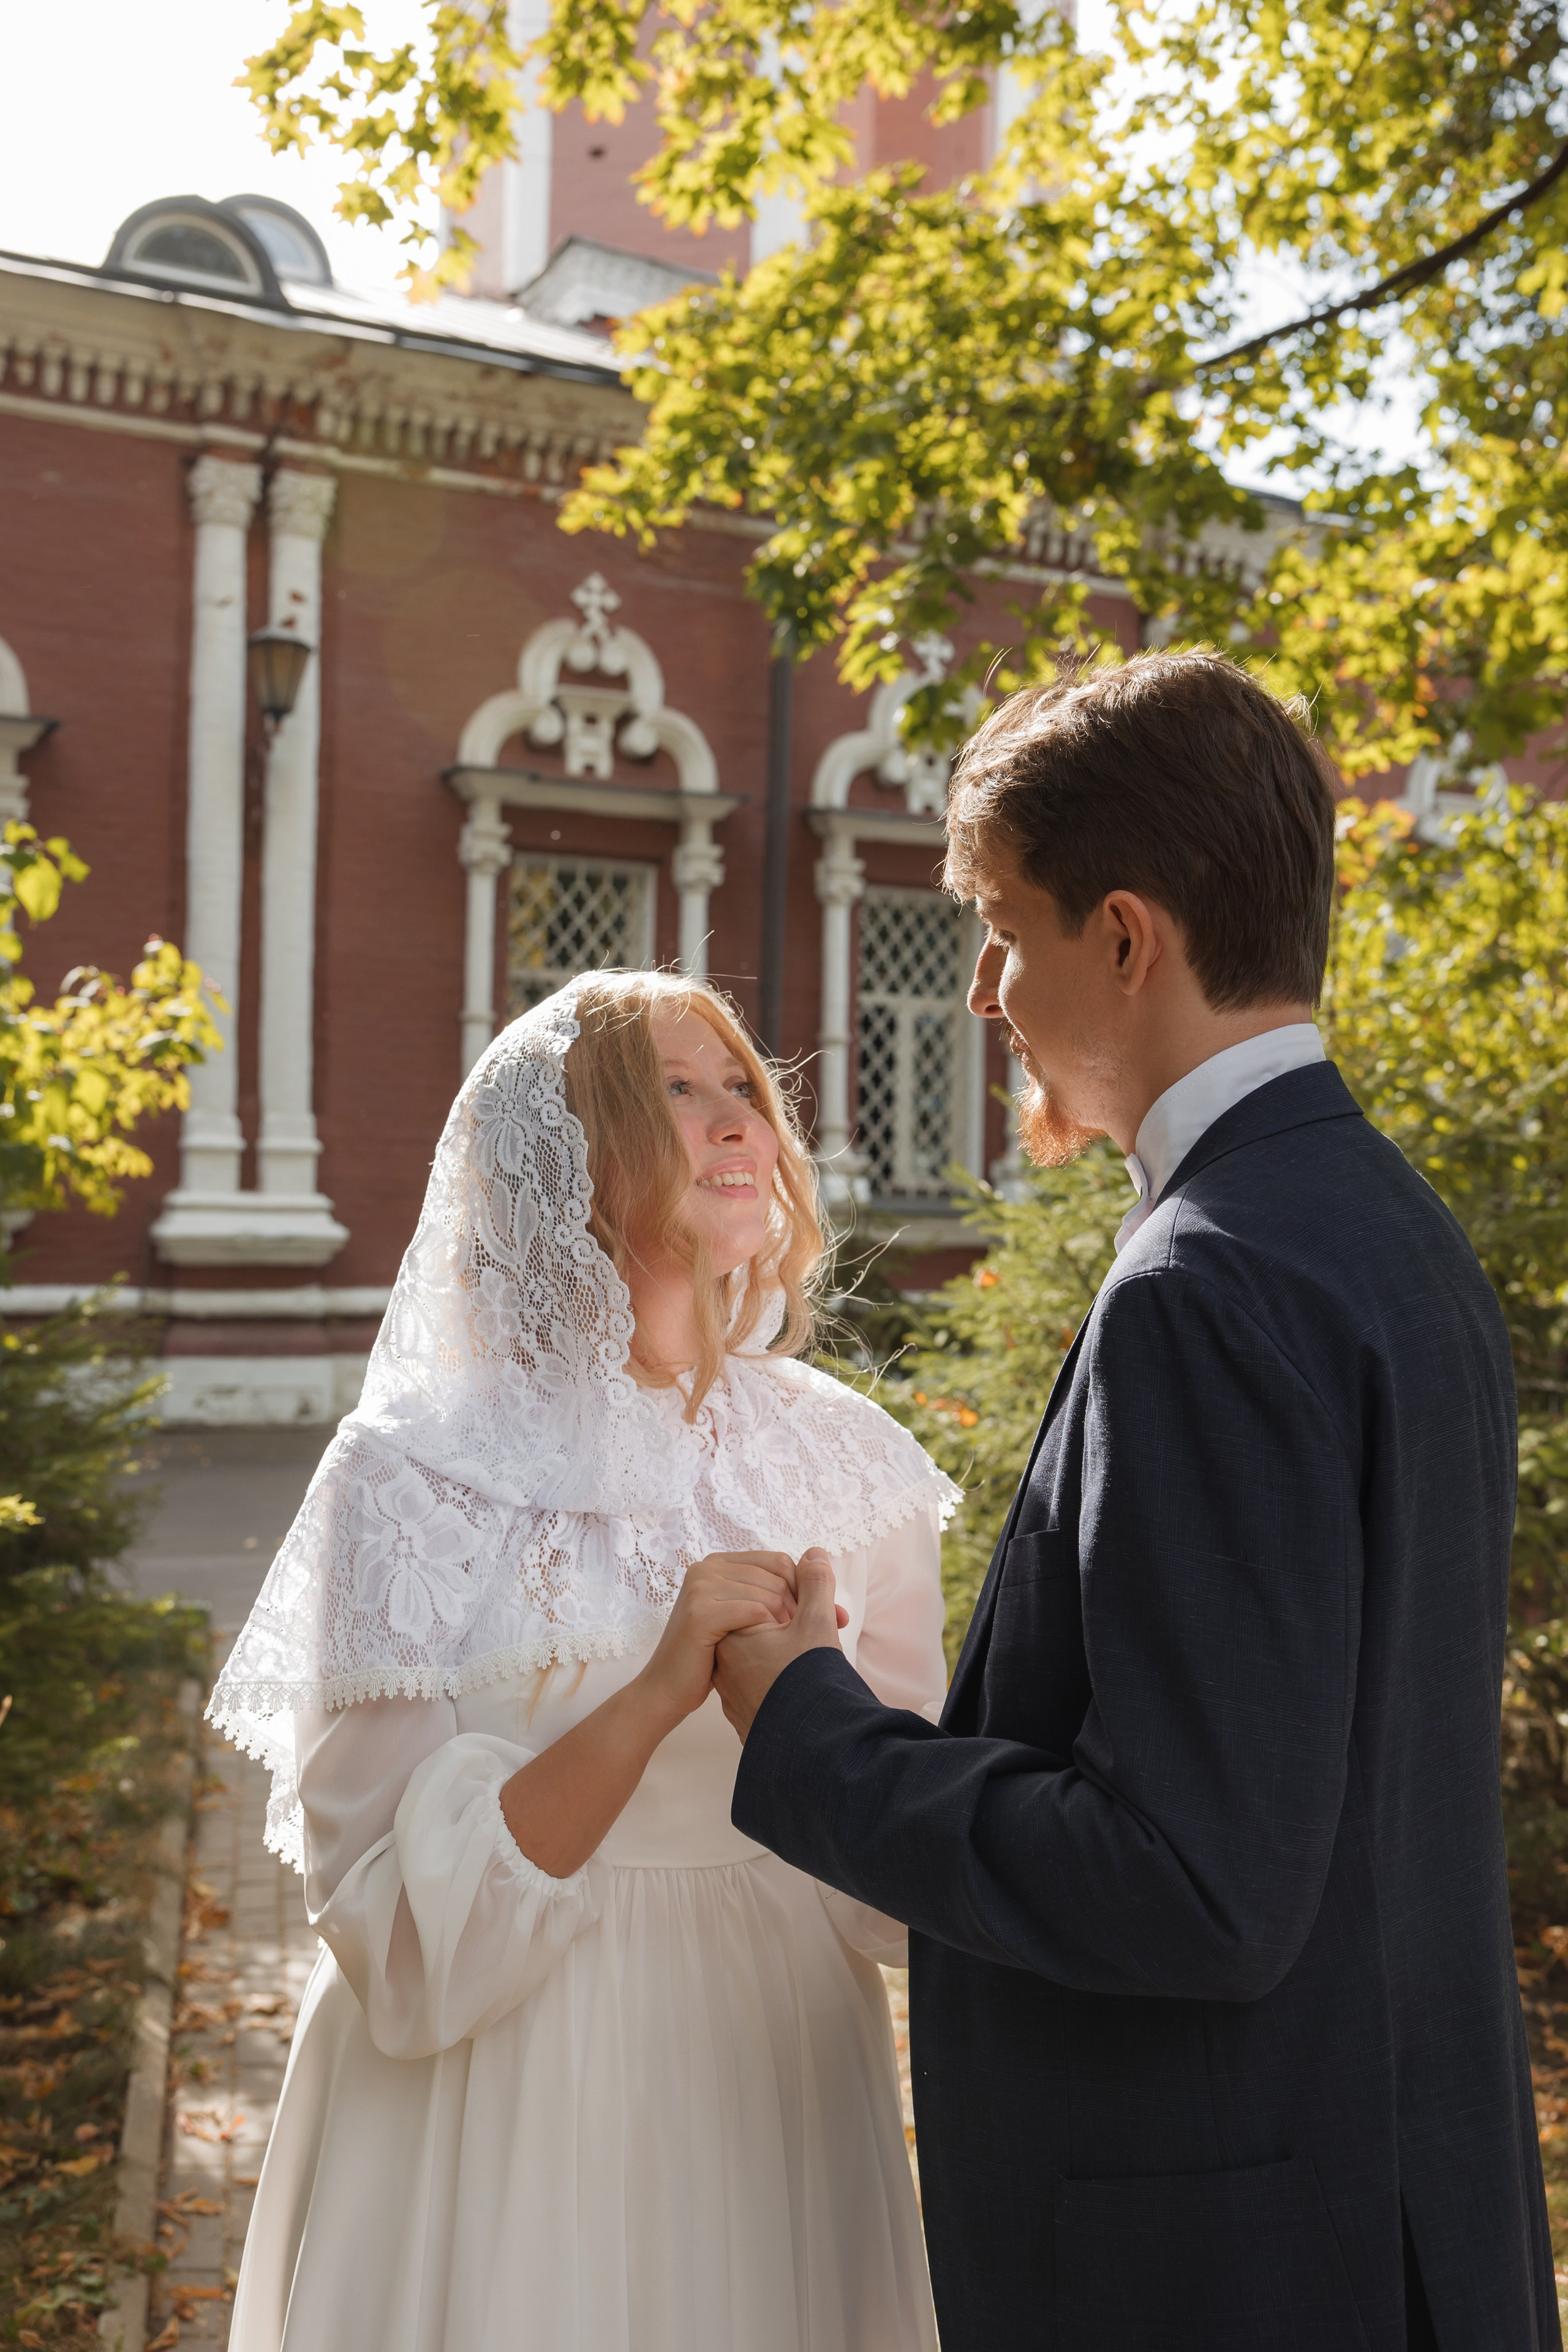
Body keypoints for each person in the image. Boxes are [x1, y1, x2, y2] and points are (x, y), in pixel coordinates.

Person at [717, 650, 1559, 2352]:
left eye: (1005, 930)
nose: (979, 993)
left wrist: (806, 1726)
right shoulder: (1393, 1232)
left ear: (1123, 937)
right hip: (1391, 2211)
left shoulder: (1205, 1287)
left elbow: (1192, 1880)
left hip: (1225, 2261)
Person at [210, 970, 954, 2352]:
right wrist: (661, 1686)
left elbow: (898, 1887)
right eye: (678, 1090)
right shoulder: (415, 1472)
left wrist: (829, 1724)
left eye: (743, 1087)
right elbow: (392, 1938)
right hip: (494, 2104)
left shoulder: (853, 1465)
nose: (739, 1123)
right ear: (557, 1156)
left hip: (773, 2082)